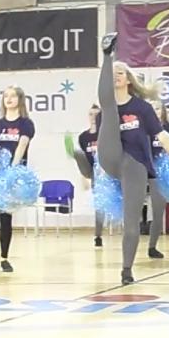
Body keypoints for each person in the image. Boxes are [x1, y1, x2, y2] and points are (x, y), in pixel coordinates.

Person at [96, 33, 169, 284]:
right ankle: (106, 53)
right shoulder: (105, 110)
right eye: (112, 72)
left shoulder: (142, 108)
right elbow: (104, 110)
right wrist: (108, 59)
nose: (116, 75)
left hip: (134, 164)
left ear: (129, 80)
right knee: (108, 110)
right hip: (109, 158)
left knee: (131, 221)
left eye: (120, 72)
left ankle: (126, 269)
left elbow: (161, 134)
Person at [0, 86, 36, 272]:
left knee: (7, 214)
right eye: (6, 96)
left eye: (13, 96)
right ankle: (3, 259)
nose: (9, 99)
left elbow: (22, 145)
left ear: (20, 100)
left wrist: (12, 171)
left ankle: (4, 258)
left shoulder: (26, 123)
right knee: (3, 215)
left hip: (14, 175)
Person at [146, 100, 169, 259]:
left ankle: (152, 246)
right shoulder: (142, 129)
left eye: (158, 108)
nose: (155, 111)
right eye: (152, 109)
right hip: (140, 170)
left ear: (163, 111)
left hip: (159, 174)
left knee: (158, 211)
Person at [73, 104, 105, 248]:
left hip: (106, 171)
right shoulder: (83, 137)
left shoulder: (106, 134)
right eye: (91, 114)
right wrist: (84, 178)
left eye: (97, 115)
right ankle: (98, 235)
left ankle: (98, 235)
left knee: (102, 205)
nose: (93, 118)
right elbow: (84, 160)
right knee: (77, 153)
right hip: (92, 172)